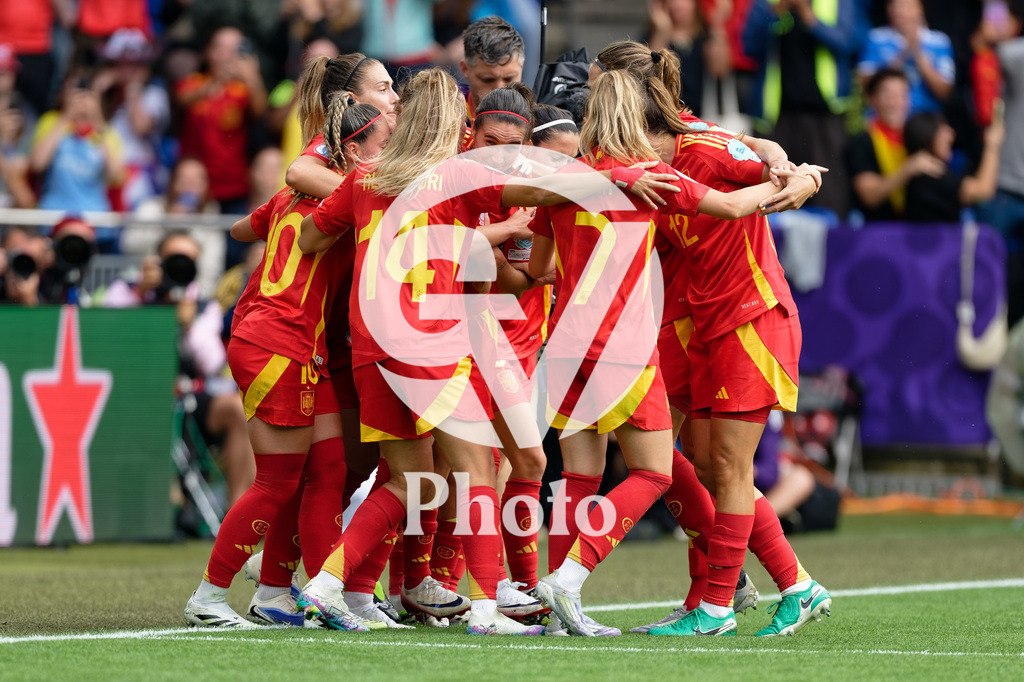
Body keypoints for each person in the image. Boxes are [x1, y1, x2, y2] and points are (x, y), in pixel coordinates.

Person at [295, 67, 681, 636]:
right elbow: (546, 193)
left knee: (406, 481)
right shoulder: (455, 175)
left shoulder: (365, 179)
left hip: (370, 346)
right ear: (452, 124)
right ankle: (482, 611)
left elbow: (309, 238)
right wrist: (618, 175)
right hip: (429, 343)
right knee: (477, 472)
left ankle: (325, 587)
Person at [527, 69, 821, 637]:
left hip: (578, 345)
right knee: (676, 470)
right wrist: (801, 175)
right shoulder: (649, 176)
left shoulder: (566, 183)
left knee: (613, 474)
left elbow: (538, 269)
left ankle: (715, 596)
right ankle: (768, 588)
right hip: (634, 339)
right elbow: (735, 205)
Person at [182, 99, 379, 627]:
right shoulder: (352, 192)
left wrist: (280, 212)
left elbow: (241, 230)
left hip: (289, 341)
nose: (390, 152)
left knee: (330, 470)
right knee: (277, 482)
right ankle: (208, 596)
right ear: (354, 150)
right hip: (280, 341)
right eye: (383, 141)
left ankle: (315, 593)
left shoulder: (299, 191)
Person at [743, 0, 860, 216]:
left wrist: (808, 15)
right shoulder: (767, 4)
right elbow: (749, 46)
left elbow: (848, 42)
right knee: (773, 192)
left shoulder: (838, 3)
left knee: (828, 194)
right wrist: (776, 13)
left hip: (825, 117)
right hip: (776, 118)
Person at [175, 26, 267, 216]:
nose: (228, 54)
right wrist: (216, 80)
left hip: (233, 185)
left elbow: (261, 113)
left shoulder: (242, 89)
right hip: (195, 185)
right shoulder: (193, 82)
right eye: (221, 47)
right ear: (208, 52)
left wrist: (253, 78)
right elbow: (182, 100)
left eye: (235, 49)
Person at [29, 71, 126, 249]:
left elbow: (116, 175)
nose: (81, 99)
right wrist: (66, 117)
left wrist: (96, 120)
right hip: (54, 218)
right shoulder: (50, 121)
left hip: (95, 220)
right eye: (74, 91)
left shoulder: (107, 131)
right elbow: (37, 164)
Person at [845, 67, 944, 221]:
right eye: (887, 95)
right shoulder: (862, 142)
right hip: (877, 230)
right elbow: (869, 197)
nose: (895, 103)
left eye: (901, 95)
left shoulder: (917, 135)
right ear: (872, 100)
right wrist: (909, 169)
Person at [129, 157, 224, 298]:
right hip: (149, 291)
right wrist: (168, 223)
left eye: (197, 180)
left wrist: (197, 297)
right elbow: (131, 246)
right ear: (172, 182)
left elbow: (212, 267)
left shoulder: (212, 215)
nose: (190, 185)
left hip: (194, 295)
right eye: (183, 179)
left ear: (206, 186)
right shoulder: (150, 207)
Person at [902, 110, 1004, 223]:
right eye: (942, 131)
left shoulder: (922, 177)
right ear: (927, 137)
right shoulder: (929, 178)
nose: (951, 134)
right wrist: (992, 144)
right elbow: (983, 190)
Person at [857, 0, 955, 116]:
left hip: (925, 118)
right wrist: (903, 54)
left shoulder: (938, 41)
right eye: (895, 5)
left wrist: (919, 55)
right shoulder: (876, 38)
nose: (900, 11)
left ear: (920, 9)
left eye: (906, 6)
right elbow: (866, 86)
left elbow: (945, 93)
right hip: (885, 118)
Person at [460, 17, 524, 124]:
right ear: (465, 69)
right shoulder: (445, 117)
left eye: (509, 78)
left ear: (522, 66)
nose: (499, 89)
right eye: (488, 79)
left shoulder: (538, 124)